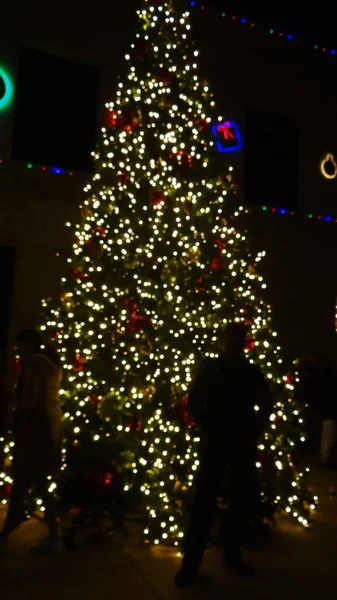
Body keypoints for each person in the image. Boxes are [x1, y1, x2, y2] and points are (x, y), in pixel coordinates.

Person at [175, 322, 273, 588]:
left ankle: (227, 555)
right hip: (220, 441)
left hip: (236, 441)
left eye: (238, 338)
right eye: (231, 337)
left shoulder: (247, 370)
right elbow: (195, 401)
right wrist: (210, 426)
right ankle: (192, 563)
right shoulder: (214, 367)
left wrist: (252, 428)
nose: (234, 342)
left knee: (236, 500)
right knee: (204, 502)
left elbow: (266, 402)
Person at [0, 329, 63, 555]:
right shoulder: (45, 365)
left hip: (35, 430)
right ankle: (12, 532)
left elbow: (33, 399)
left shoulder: (37, 366)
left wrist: (17, 419)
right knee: (35, 483)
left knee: (31, 482)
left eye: (21, 348)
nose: (18, 353)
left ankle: (9, 533)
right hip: (41, 429)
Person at [302, 351, 337, 466]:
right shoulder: (324, 375)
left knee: (327, 431)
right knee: (328, 431)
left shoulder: (317, 374)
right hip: (326, 407)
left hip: (324, 407)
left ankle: (324, 457)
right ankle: (324, 458)